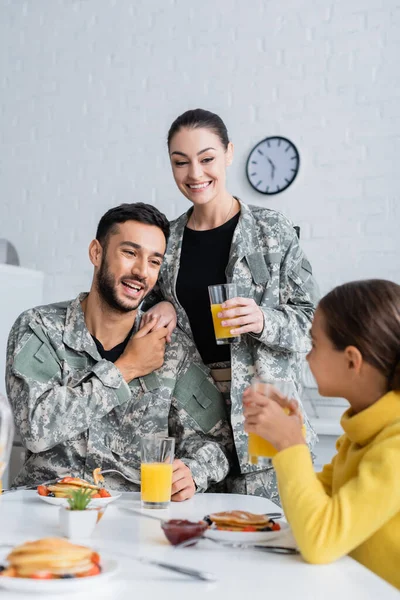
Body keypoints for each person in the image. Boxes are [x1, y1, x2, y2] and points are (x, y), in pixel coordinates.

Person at [142, 108, 319, 501]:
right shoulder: (166, 242)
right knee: (196, 540)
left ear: (228, 153)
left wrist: (262, 320)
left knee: (272, 539)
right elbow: (142, 310)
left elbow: (313, 325)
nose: (195, 173)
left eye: (206, 159)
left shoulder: (273, 230)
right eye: (180, 162)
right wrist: (163, 307)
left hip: (265, 412)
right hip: (194, 423)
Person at [6, 203, 233, 499]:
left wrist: (194, 472)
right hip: (46, 510)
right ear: (96, 253)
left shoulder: (172, 347)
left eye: (154, 261)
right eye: (130, 253)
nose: (141, 271)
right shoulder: (40, 328)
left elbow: (218, 442)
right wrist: (126, 368)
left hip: (134, 518)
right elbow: (35, 429)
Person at [243, 279, 400, 589]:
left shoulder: (394, 446)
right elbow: (309, 511)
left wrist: (291, 444)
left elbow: (319, 540)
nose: (306, 356)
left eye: (314, 344)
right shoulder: (362, 433)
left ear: (352, 360)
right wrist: (288, 438)